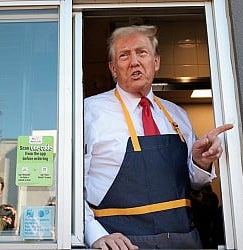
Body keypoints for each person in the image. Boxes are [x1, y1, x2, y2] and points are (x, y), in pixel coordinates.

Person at [83, 25, 233, 249]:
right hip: (122, 244)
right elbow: (68, 185)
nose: (134, 62)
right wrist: (93, 233)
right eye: (124, 55)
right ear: (113, 68)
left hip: (185, 242)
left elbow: (194, 182)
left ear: (156, 62)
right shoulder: (88, 112)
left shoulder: (177, 115)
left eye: (142, 53)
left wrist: (201, 161)